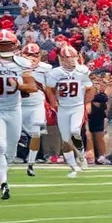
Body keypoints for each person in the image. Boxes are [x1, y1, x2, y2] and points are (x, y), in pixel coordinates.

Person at [0, 30, 38, 200]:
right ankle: (4, 184)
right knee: (1, 146)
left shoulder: (21, 63)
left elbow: (33, 88)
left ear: (15, 45)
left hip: (14, 109)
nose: (5, 48)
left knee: (11, 150)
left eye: (7, 44)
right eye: (2, 45)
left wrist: (18, 86)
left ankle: (0, 166)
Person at [44, 45, 93, 177]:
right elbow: (49, 89)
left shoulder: (82, 71)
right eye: (66, 57)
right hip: (63, 107)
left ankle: (81, 156)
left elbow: (90, 88)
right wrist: (54, 103)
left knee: (75, 131)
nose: (69, 60)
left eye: (71, 57)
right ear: (61, 59)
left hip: (77, 106)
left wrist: (87, 103)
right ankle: (73, 166)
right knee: (65, 139)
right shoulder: (56, 72)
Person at [20, 43, 61, 175]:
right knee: (17, 134)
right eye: (29, 55)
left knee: (37, 133)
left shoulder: (46, 69)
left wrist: (54, 104)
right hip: (19, 105)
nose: (32, 58)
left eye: (35, 55)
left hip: (37, 104)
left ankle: (31, 162)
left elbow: (49, 88)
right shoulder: (16, 67)